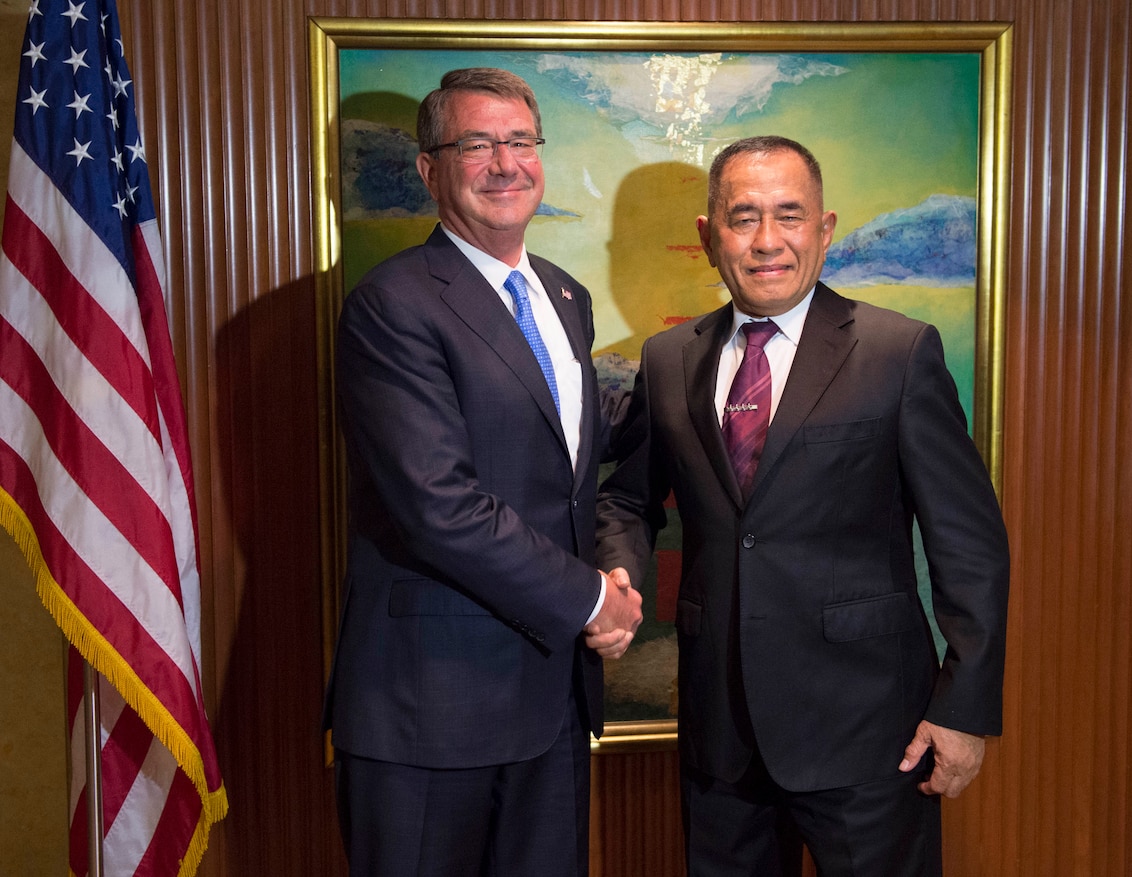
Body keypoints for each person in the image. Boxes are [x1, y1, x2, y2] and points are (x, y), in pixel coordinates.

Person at [596, 135, 1010, 876]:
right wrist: (619, 577)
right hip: (721, 734)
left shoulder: (899, 351)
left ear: (824, 229)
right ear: (707, 235)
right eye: (743, 216)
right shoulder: (668, 360)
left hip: (871, 735)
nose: (767, 241)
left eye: (790, 216)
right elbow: (627, 499)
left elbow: (969, 544)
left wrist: (964, 705)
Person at [323, 67, 642, 877]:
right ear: (430, 168)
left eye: (521, 141)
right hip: (432, 711)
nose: (505, 163)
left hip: (552, 703)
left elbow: (573, 468)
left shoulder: (564, 296)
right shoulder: (392, 303)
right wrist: (592, 600)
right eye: (477, 144)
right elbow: (440, 505)